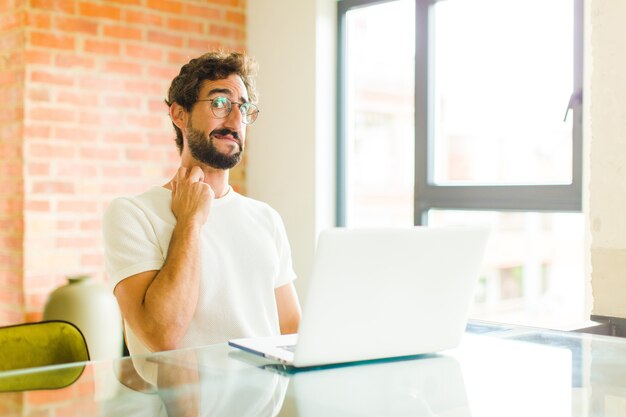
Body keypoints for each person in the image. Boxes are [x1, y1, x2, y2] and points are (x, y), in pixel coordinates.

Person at [103, 51, 301, 356]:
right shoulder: (132, 214)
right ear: (179, 115)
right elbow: (162, 335)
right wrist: (190, 221)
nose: (236, 120)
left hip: (264, 401)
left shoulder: (266, 218)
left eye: (244, 108)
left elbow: (290, 327)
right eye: (220, 103)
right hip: (179, 403)